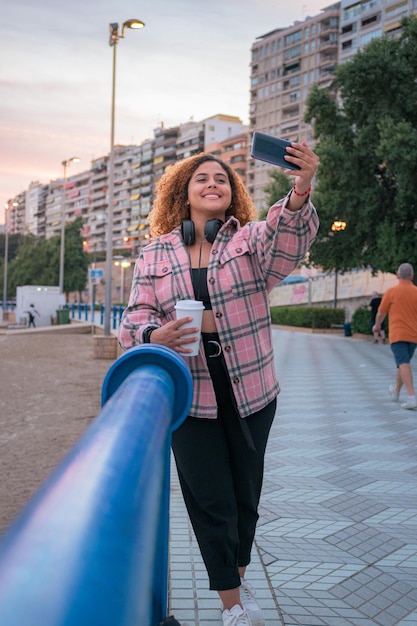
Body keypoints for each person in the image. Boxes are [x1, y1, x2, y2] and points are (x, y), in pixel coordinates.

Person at [119, 145, 320, 626]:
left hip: (252, 393)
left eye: (222, 180)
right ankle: (233, 607)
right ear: (183, 194)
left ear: (232, 196)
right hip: (190, 397)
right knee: (211, 502)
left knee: (244, 499)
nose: (213, 184)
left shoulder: (250, 242)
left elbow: (288, 239)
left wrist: (302, 186)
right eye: (202, 179)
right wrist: (156, 335)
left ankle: (237, 579)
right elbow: (133, 322)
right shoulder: (155, 252)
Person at [373, 263, 417, 410]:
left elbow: (381, 312)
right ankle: (396, 391)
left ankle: (412, 397)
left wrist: (377, 326)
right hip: (414, 336)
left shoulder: (391, 291)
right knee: (403, 363)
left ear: (397, 276)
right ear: (412, 276)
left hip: (398, 334)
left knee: (403, 364)